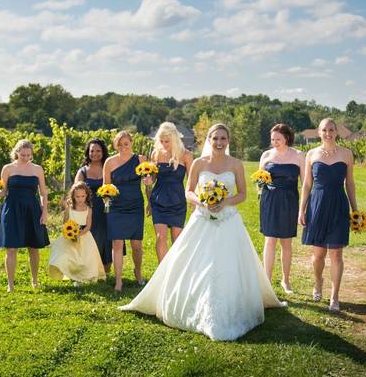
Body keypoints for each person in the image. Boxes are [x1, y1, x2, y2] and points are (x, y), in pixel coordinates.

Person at [120, 124, 285, 341]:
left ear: (228, 141)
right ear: (209, 139)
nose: (219, 142)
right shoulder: (198, 163)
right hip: (202, 217)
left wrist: (225, 202)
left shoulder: (235, 164)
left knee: (226, 262)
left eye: (223, 138)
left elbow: (243, 194)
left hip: (228, 220)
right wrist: (203, 202)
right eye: (215, 138)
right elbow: (189, 191)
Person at [299, 118, 359, 313]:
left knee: (336, 254)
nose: (328, 133)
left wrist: (355, 209)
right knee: (318, 255)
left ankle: (335, 296)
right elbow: (307, 184)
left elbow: (350, 183)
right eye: (324, 130)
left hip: (338, 205)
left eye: (331, 130)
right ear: (319, 132)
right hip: (317, 205)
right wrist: (302, 209)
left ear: (336, 131)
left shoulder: (347, 154)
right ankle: (318, 282)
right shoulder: (311, 154)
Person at [0, 139, 49, 291]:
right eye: (23, 155)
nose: (25, 158)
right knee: (11, 248)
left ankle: (35, 281)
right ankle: (10, 284)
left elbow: (43, 193)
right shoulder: (7, 169)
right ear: (16, 153)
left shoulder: (38, 169)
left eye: (28, 155)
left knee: (34, 248)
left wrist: (44, 212)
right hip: (11, 210)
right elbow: (3, 192)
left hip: (32, 210)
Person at [258, 123, 304, 294]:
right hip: (269, 200)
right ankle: (267, 282)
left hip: (289, 201)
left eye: (278, 139)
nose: (274, 142)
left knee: (286, 242)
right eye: (272, 139)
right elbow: (259, 179)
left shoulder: (299, 155)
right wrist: (260, 187)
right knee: (269, 240)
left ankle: (286, 280)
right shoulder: (266, 155)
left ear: (287, 138)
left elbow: (306, 183)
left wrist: (304, 207)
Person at [103, 130, 145, 291]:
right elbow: (105, 186)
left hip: (135, 206)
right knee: (117, 243)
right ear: (115, 145)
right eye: (119, 144)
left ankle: (138, 271)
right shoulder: (110, 162)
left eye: (126, 144)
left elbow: (148, 181)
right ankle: (118, 280)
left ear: (131, 143)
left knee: (136, 245)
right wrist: (106, 199)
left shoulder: (140, 160)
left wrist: (148, 185)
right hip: (116, 207)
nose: (123, 147)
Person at [146, 122, 193, 262]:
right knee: (161, 238)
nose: (164, 144)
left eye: (167, 141)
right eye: (161, 141)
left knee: (177, 239)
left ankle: (176, 273)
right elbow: (153, 177)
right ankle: (163, 274)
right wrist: (149, 181)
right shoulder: (156, 154)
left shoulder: (186, 155)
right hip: (158, 200)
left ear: (174, 139)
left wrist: (193, 200)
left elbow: (191, 179)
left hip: (177, 200)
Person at [48, 182, 105, 284]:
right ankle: (75, 277)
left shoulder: (89, 208)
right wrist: (66, 210)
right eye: (77, 196)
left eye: (83, 196)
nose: (80, 199)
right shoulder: (70, 208)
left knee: (86, 258)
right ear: (73, 196)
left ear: (86, 195)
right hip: (70, 235)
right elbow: (65, 222)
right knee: (70, 257)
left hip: (84, 235)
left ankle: (87, 276)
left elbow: (88, 226)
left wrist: (79, 234)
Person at [74, 138, 113, 275]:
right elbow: (75, 191)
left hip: (107, 209)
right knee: (89, 239)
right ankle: (87, 270)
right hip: (88, 211)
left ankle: (106, 271)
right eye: (92, 151)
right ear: (87, 152)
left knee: (106, 238)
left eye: (98, 150)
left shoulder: (109, 168)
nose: (95, 153)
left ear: (103, 152)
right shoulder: (82, 171)